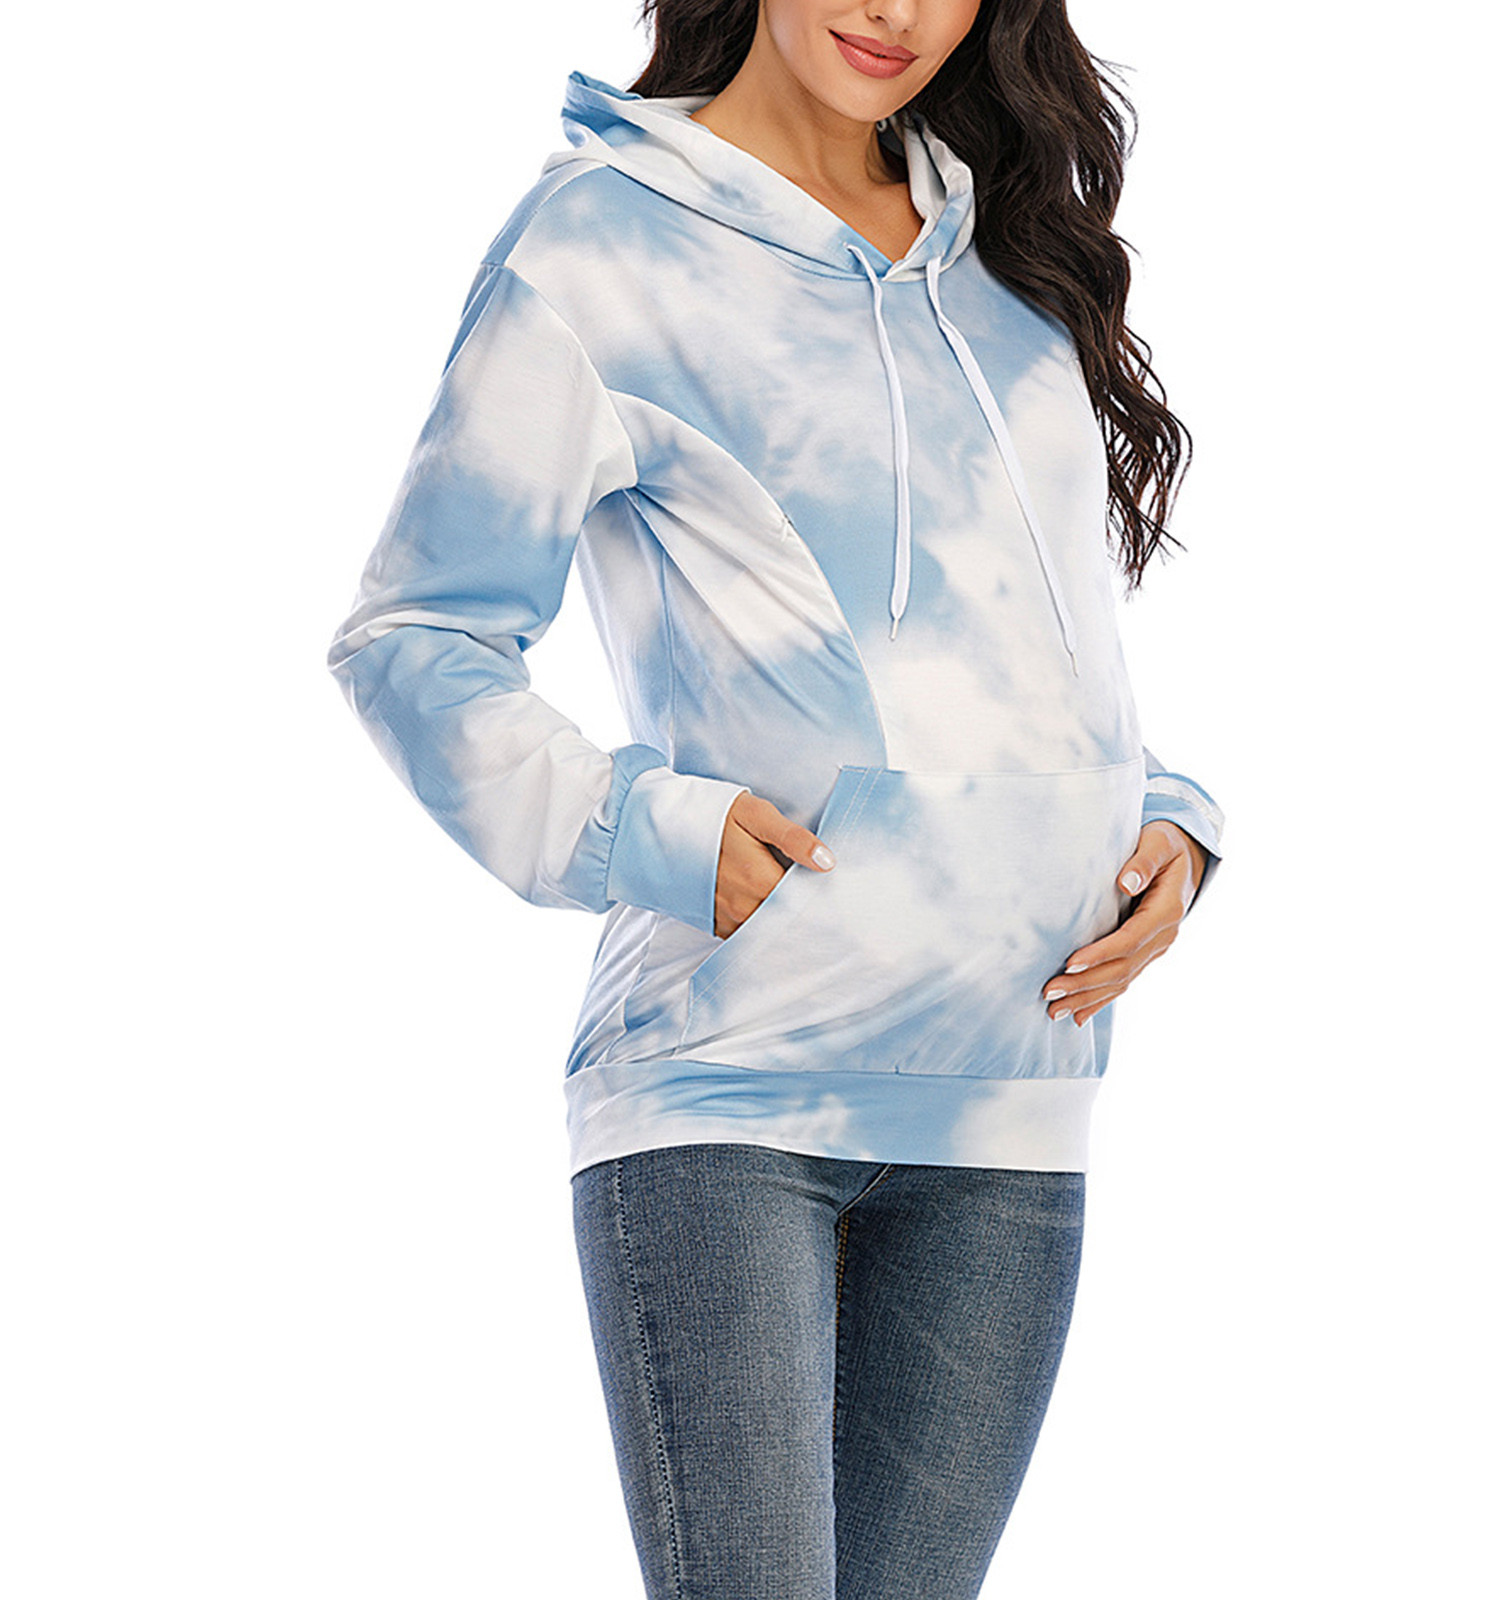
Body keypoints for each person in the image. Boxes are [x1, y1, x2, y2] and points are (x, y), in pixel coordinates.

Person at [325, 1, 1226, 1594]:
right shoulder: (603, 245)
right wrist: (642, 829)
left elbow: (1026, 647)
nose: (895, 12)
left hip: (1009, 1091)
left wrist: (1160, 817)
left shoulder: (1009, 259)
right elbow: (417, 637)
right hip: (735, 1088)